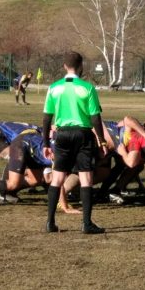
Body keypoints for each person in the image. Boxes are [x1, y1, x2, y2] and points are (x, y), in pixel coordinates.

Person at [42, 52, 108, 234]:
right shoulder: (87, 88)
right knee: (86, 178)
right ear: (81, 66)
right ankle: (86, 224)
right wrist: (101, 141)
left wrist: (46, 143)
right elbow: (95, 118)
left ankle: (50, 222)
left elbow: (47, 118)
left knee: (57, 179)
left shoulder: (54, 88)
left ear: (64, 66)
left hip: (62, 134)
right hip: (83, 134)